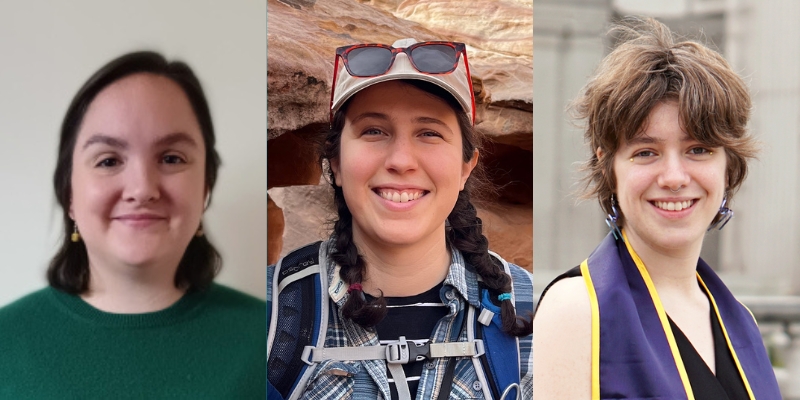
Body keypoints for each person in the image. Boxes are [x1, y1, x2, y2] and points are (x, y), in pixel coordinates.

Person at [267, 38, 533, 400]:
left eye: (429, 133)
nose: (402, 160)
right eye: (374, 131)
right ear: (336, 164)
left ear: (465, 168)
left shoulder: (534, 312)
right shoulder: (265, 312)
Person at [533, 17, 782, 399]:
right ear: (609, 167)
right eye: (646, 152)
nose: (673, 176)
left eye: (698, 149)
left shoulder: (741, 323)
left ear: (728, 165)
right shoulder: (578, 312)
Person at [0, 52, 265, 398]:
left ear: (205, 187)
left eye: (171, 158)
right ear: (69, 193)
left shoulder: (274, 337)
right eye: (108, 160)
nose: (142, 189)